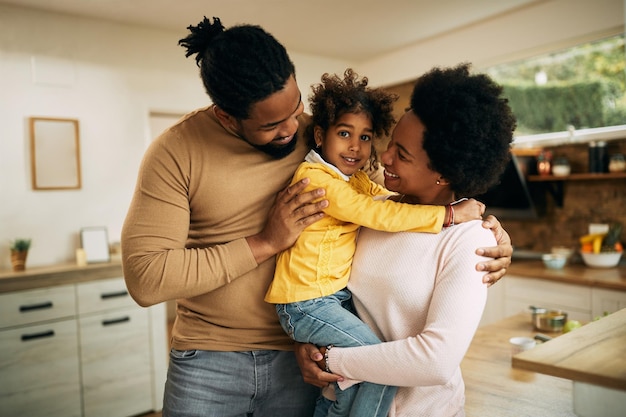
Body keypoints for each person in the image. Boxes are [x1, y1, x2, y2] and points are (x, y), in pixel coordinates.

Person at [121, 16, 513, 417]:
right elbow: (147, 279)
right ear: (227, 117)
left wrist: (486, 231)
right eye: (273, 124)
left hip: (303, 359)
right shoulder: (175, 153)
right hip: (211, 357)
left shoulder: (326, 136)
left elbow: (398, 190)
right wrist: (265, 242)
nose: (293, 129)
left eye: (297, 110)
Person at [296, 63, 516, 417]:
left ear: (444, 174)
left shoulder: (469, 239)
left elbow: (435, 361)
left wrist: (334, 358)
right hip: (339, 404)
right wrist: (309, 347)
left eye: (402, 154)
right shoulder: (370, 210)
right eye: (390, 143)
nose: (384, 157)